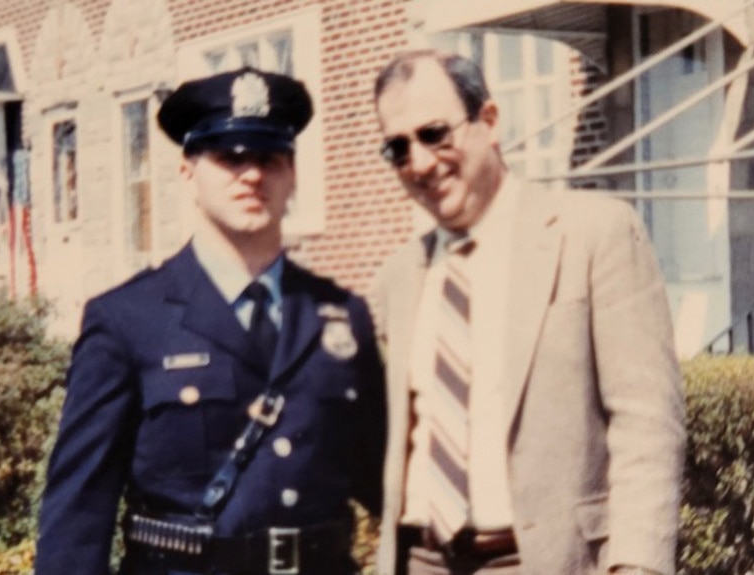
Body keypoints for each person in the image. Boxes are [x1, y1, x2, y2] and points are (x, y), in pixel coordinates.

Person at [35, 67, 386, 575]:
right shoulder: (127, 320)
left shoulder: (339, 316)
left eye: (269, 158)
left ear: (293, 173)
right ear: (188, 172)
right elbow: (78, 513)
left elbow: (384, 479)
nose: (252, 175)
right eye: (229, 158)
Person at [369, 50, 685, 575]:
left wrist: (637, 565)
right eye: (398, 148)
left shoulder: (592, 235)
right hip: (421, 560)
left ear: (489, 121)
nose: (420, 162)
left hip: (539, 560)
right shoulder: (399, 276)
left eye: (434, 134)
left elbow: (646, 422)